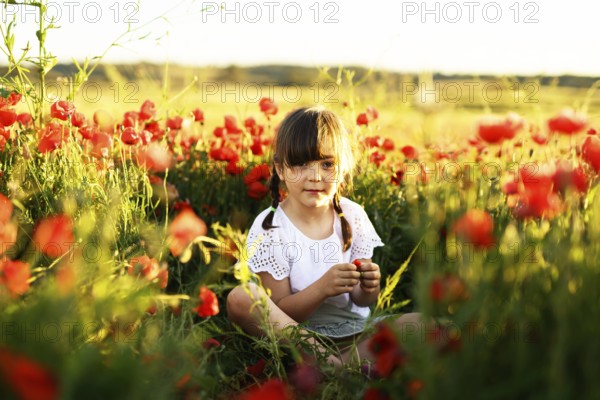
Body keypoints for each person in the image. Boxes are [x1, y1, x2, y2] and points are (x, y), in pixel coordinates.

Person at [226, 106, 419, 366]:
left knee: (430, 326)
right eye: (301, 164)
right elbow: (281, 311)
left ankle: (340, 365)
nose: (315, 176)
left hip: (354, 332)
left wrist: (369, 286)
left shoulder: (352, 215)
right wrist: (322, 289)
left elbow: (362, 300)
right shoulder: (271, 226)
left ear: (344, 168)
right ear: (281, 170)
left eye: (327, 164)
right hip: (298, 338)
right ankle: (333, 364)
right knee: (242, 297)